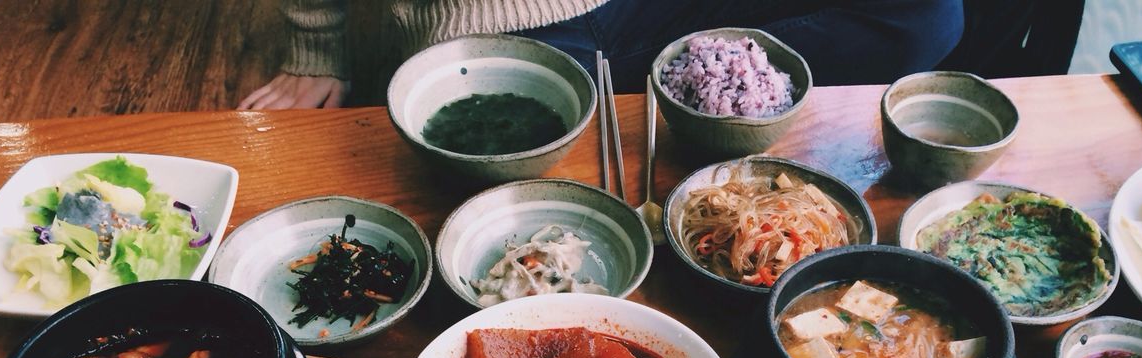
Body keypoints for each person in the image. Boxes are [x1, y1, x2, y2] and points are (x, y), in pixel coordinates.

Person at [238, 0, 965, 109]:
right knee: (561, 145)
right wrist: (315, 46)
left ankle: (703, 78)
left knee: (927, 14)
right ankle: (700, 89)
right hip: (504, 15)